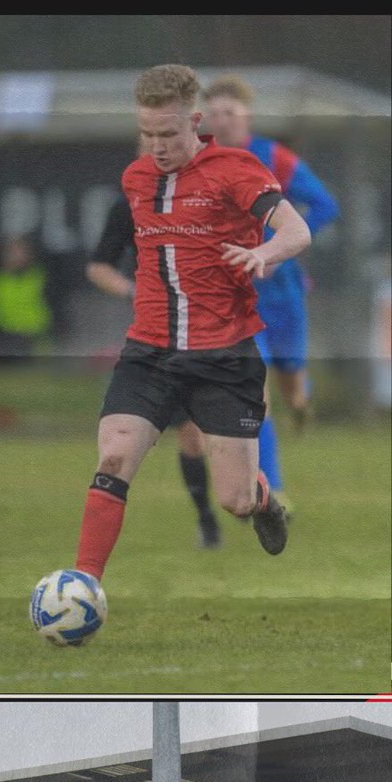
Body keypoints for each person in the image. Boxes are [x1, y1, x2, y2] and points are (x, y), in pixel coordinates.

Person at [70, 63, 309, 600]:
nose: (156, 147)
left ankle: (262, 499)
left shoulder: (236, 169)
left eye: (169, 135)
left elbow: (297, 230)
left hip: (224, 356)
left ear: (195, 122)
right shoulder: (135, 180)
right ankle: (83, 585)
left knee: (235, 499)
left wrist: (261, 253)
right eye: (147, 134)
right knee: (114, 457)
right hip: (149, 351)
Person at [204, 74, 340, 510]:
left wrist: (279, 250)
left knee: (290, 388)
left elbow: (324, 205)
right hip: (237, 297)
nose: (222, 121)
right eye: (215, 113)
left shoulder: (273, 158)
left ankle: (302, 399)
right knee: (254, 392)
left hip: (282, 293)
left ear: (247, 115)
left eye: (231, 112)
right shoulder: (201, 159)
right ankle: (270, 487)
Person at [87, 181, 221, 547]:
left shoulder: (202, 194)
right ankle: (207, 519)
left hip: (206, 330)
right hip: (156, 335)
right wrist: (133, 291)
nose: (159, 150)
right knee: (174, 437)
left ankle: (217, 510)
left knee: (199, 437)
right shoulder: (129, 203)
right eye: (150, 140)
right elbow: (98, 266)